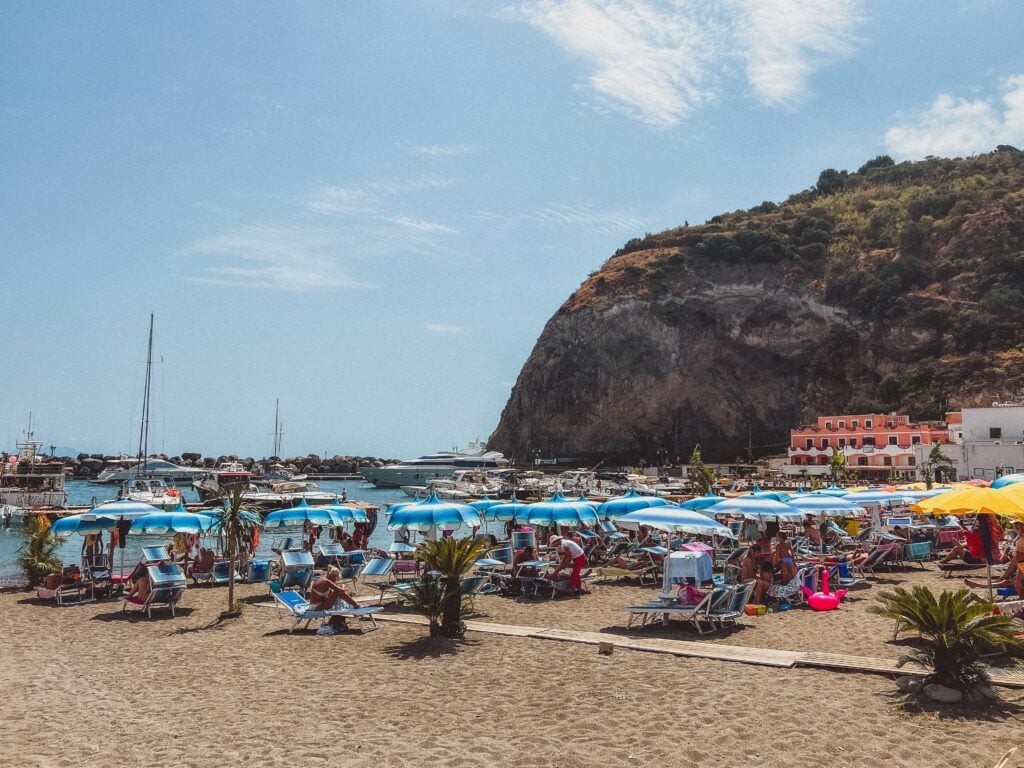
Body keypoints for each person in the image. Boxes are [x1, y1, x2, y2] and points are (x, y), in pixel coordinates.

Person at [309, 566, 361, 634]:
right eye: (335, 577)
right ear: (333, 576)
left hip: (319, 605)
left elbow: (335, 592)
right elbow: (340, 590)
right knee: (338, 592)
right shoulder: (326, 581)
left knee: (338, 594)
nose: (336, 579)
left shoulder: (324, 579)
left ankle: (354, 605)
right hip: (317, 607)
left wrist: (340, 586)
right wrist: (342, 586)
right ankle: (356, 604)